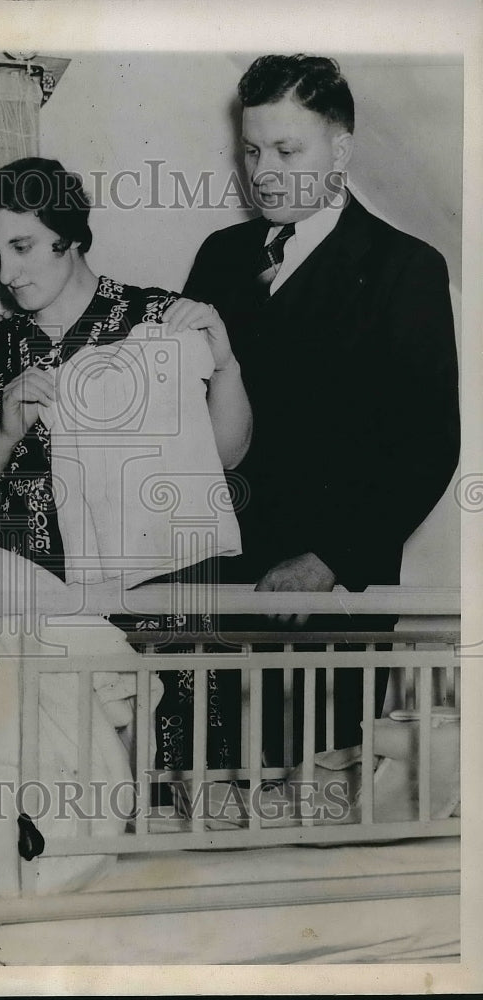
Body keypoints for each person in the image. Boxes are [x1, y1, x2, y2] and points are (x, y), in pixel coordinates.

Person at [0, 156, 252, 775]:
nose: (8, 272)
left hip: (168, 611)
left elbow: (225, 456)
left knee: (185, 802)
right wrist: (3, 433)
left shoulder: (159, 320)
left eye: (22, 246)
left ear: (70, 234)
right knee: (64, 797)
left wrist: (227, 365)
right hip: (42, 613)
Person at [182, 55, 460, 756]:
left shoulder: (407, 267)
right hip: (213, 590)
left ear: (340, 150)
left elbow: (428, 444)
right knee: (196, 811)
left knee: (312, 811)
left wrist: (328, 560)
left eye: (285, 149)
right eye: (251, 150)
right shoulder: (220, 256)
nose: (263, 170)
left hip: (332, 604)